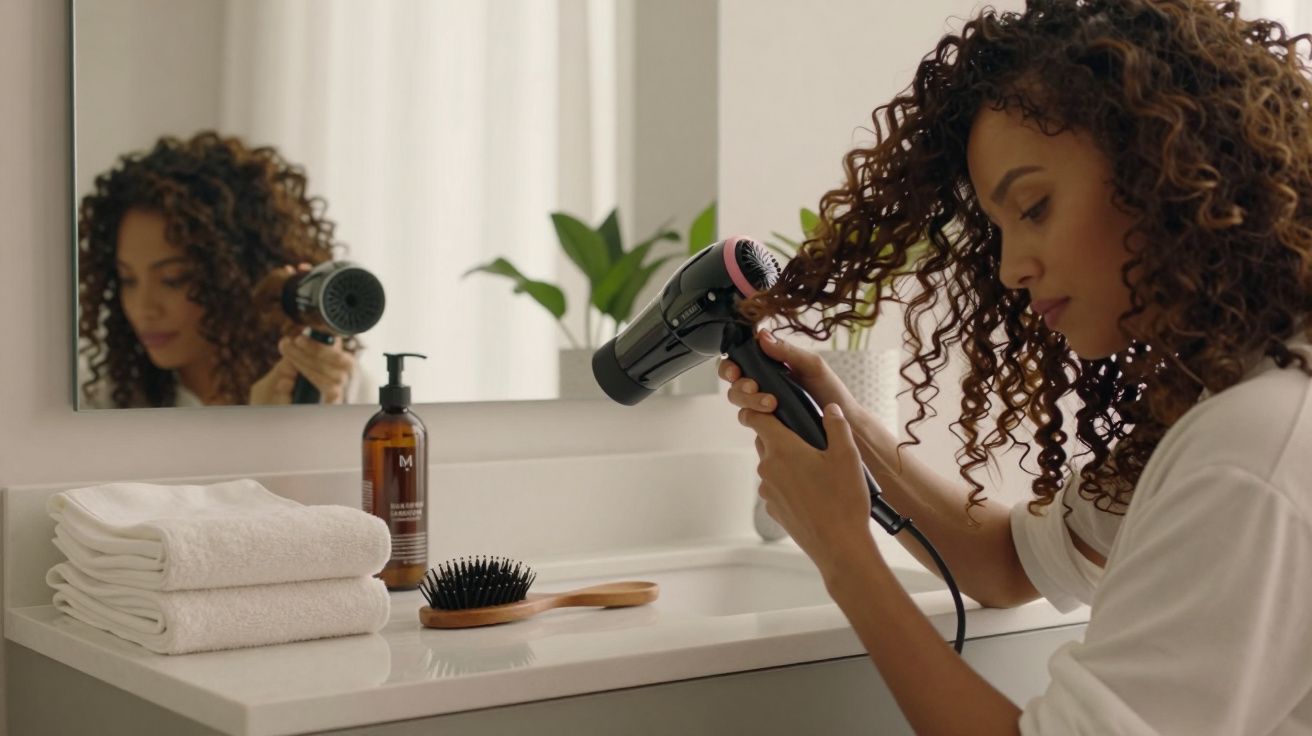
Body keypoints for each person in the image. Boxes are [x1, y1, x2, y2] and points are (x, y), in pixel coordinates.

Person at [720, 1, 1312, 733]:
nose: (1011, 268)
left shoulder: (1252, 447)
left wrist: (845, 556)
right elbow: (1006, 564)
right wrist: (846, 421)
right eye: (998, 230)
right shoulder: (1234, 396)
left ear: (1167, 168)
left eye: (1033, 207)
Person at [77, 131, 369, 408]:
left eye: (173, 280)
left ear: (236, 275)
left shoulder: (339, 390)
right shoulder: (107, 406)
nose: (143, 309)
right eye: (127, 279)